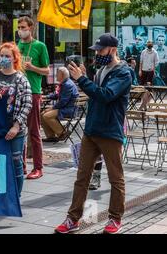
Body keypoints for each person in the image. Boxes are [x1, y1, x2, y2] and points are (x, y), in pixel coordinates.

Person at [55, 33, 131, 234]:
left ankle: (115, 218)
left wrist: (81, 80)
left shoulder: (123, 72)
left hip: (110, 131)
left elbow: (106, 95)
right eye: (96, 50)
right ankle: (73, 219)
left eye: (100, 50)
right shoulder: (100, 70)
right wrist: (86, 80)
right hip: (92, 130)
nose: (97, 53)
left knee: (116, 178)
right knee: (82, 177)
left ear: (112, 50)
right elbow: (95, 94)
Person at [0, 43, 32, 197]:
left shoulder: (21, 79)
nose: (3, 58)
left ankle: (15, 197)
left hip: (15, 130)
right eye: (2, 55)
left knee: (16, 162)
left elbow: (27, 104)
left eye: (7, 56)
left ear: (14, 58)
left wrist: (16, 126)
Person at [17, 16, 50, 179]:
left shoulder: (39, 46)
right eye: (19, 27)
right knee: (18, 130)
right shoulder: (17, 46)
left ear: (31, 28)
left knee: (34, 130)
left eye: (23, 27)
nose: (21, 30)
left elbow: (47, 71)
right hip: (18, 92)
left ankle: (38, 167)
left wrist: (32, 67)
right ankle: (21, 165)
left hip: (33, 92)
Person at [41, 67, 79, 143]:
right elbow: (57, 95)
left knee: (46, 115)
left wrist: (51, 108)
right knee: (42, 114)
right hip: (65, 108)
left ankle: (63, 133)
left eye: (57, 74)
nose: (56, 76)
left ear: (62, 75)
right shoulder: (65, 83)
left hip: (69, 110)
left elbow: (63, 102)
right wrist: (45, 96)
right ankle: (51, 136)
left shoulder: (67, 85)